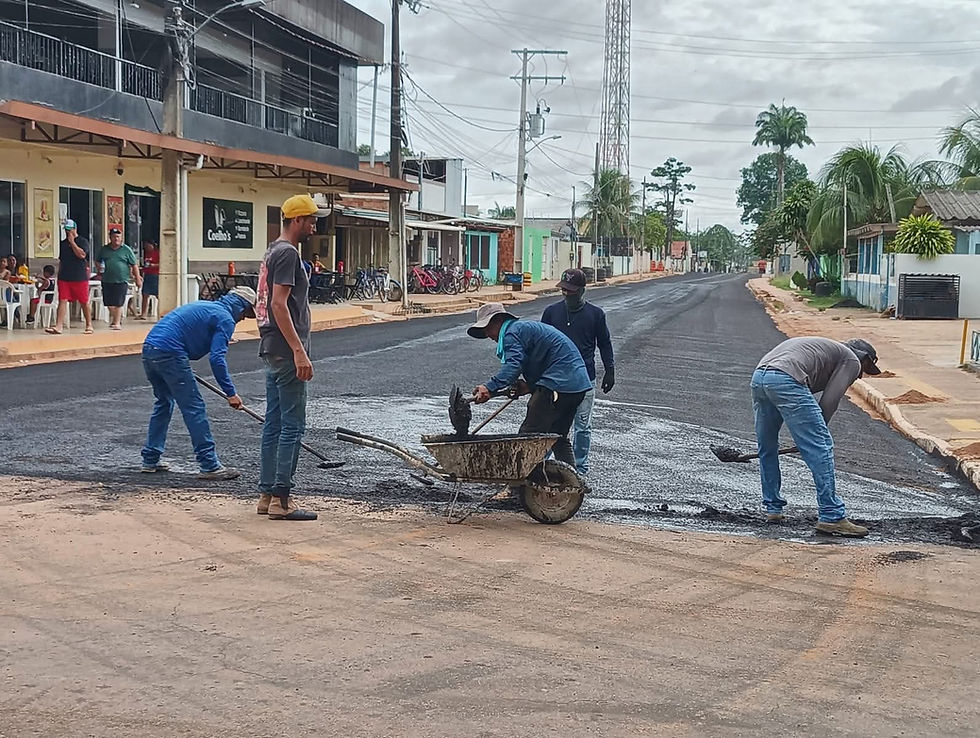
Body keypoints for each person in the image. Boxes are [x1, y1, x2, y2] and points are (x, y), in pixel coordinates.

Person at [751, 336, 883, 537]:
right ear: (864, 358)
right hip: (786, 377)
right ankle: (831, 515)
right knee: (821, 445)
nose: (860, 376)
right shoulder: (851, 360)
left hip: (760, 377)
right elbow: (830, 401)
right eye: (865, 369)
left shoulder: (824, 350)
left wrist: (806, 436)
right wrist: (813, 436)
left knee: (767, 446)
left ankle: (773, 508)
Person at [254, 194, 327, 521]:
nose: (314, 225)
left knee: (274, 422)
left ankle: (267, 494)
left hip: (272, 348)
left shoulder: (273, 251)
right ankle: (282, 500)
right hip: (285, 350)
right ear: (297, 220)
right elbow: (279, 305)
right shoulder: (286, 254)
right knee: (292, 425)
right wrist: (299, 350)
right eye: (311, 219)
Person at [140, 286, 257, 480]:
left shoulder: (206, 307)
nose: (243, 318)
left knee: (164, 403)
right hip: (170, 353)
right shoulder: (225, 319)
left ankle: (150, 459)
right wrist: (230, 393)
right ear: (241, 307)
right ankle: (209, 464)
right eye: (245, 314)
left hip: (150, 350)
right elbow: (217, 360)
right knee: (194, 408)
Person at [468, 302, 593, 468]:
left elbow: (513, 366)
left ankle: (515, 488)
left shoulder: (511, 333)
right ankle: (574, 485)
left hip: (558, 383)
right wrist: (530, 386)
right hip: (576, 386)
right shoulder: (523, 329)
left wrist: (489, 387)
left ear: (497, 321)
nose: (488, 335)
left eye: (487, 329)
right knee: (558, 437)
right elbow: (542, 361)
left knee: (527, 437)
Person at [541, 268, 615, 475]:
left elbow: (605, 344)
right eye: (563, 290)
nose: (566, 294)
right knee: (549, 425)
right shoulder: (551, 313)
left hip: (584, 380)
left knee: (582, 426)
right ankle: (541, 464)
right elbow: (541, 345)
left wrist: (610, 369)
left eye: (571, 291)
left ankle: (579, 469)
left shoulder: (596, 315)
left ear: (582, 290)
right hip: (555, 380)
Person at [46, 219, 93, 334]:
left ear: (74, 229)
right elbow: (61, 261)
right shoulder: (62, 244)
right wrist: (59, 274)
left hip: (79, 276)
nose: (68, 233)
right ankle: (59, 326)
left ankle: (89, 324)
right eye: (66, 230)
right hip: (64, 277)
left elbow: (81, 255)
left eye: (69, 230)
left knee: (83, 301)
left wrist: (72, 242)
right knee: (62, 300)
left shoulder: (82, 241)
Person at [99, 228, 141, 330]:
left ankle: (117, 322)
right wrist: (99, 267)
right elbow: (98, 260)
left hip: (121, 279)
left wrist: (137, 278)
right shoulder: (104, 249)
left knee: (118, 302)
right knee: (108, 303)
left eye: (118, 236)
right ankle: (116, 318)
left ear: (121, 237)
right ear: (110, 237)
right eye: (114, 236)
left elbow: (134, 265)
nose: (116, 238)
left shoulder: (126, 250)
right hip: (107, 279)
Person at [137, 239, 160, 320]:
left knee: (158, 295)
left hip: (155, 275)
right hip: (147, 275)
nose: (147, 247)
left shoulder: (158, 253)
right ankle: (143, 314)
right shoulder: (146, 254)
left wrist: (153, 265)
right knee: (145, 294)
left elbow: (162, 263)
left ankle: (160, 313)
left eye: (148, 245)